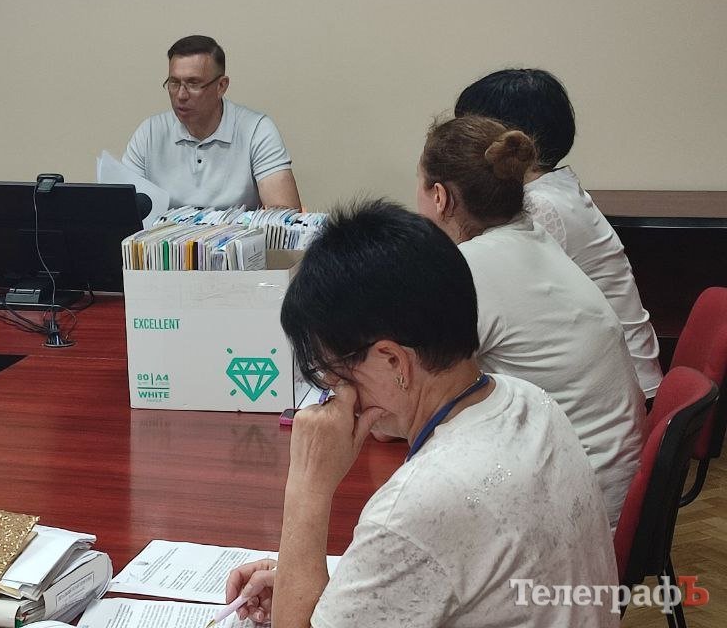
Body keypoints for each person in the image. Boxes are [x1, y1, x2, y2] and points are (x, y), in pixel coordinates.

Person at [225, 201, 617, 628]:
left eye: (333, 373)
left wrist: (307, 486)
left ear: (393, 361)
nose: (335, 393)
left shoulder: (413, 507)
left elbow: (425, 533)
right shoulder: (530, 400)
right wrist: (312, 588)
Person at [417, 115, 643, 526]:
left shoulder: (470, 268)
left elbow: (410, 402)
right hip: (612, 489)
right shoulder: (534, 238)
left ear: (439, 197)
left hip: (573, 511)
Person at [455, 68, 663, 398]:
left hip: (621, 392)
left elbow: (486, 305)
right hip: (616, 378)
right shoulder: (555, 190)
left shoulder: (540, 206)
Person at [123, 35, 303, 209]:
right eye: (174, 83)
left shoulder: (256, 130)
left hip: (236, 230)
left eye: (193, 83)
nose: (181, 95)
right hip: (163, 231)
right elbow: (121, 210)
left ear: (221, 86)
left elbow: (284, 216)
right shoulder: (150, 133)